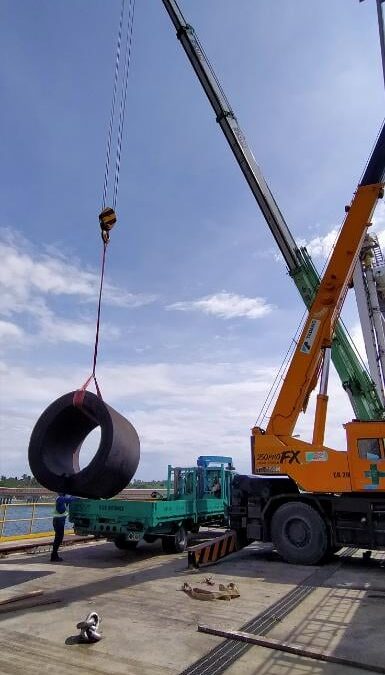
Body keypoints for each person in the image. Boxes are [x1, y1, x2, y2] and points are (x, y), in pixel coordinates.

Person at [51, 494, 76, 562]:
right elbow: (70, 500)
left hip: (60, 520)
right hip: (58, 521)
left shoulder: (62, 499)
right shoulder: (60, 498)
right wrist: (74, 497)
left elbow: (69, 501)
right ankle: (54, 555)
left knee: (59, 538)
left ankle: (54, 555)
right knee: (58, 538)